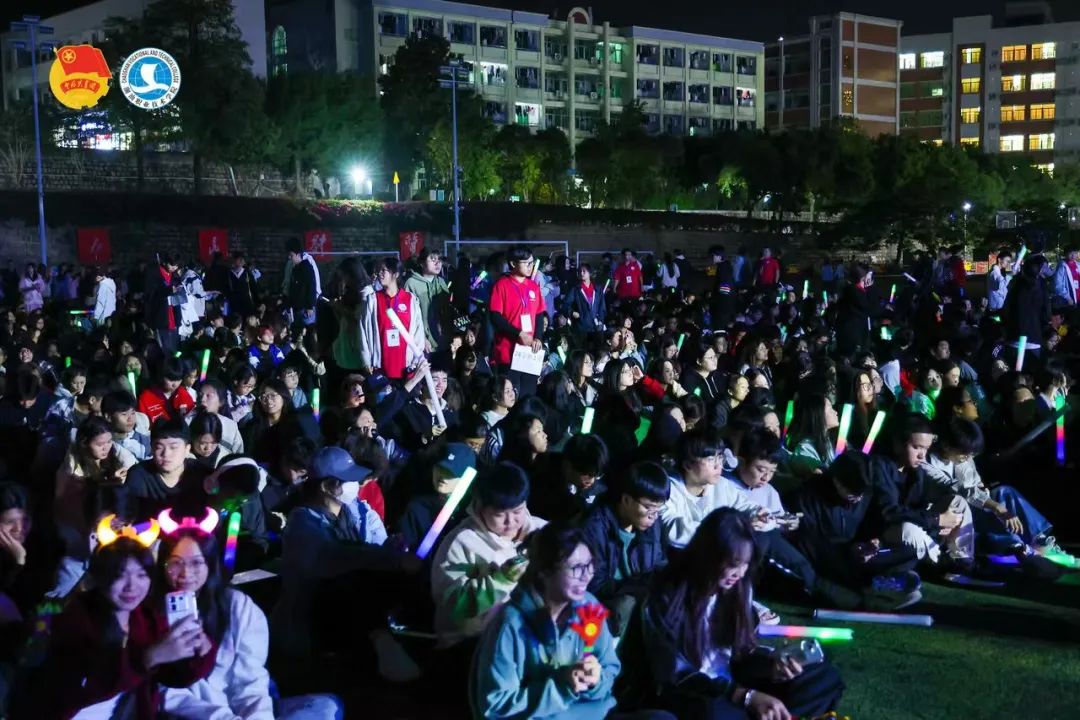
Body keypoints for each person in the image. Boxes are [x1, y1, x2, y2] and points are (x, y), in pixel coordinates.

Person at [627, 508, 845, 719]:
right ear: (708, 556)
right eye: (733, 564)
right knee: (715, 713)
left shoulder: (738, 589)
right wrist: (744, 696)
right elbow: (675, 675)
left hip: (735, 679)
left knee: (823, 679)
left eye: (745, 564)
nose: (739, 573)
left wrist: (772, 663)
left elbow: (742, 653)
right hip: (694, 691)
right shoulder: (666, 597)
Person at [157, 522, 343, 719]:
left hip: (241, 711)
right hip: (191, 716)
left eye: (196, 563)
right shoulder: (150, 613)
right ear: (163, 565)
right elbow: (167, 694)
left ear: (210, 564)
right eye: (176, 563)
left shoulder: (237, 606)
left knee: (328, 706)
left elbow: (250, 683)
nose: (186, 573)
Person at [272, 447, 421, 680]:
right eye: (348, 480)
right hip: (313, 620)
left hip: (358, 611)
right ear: (326, 486)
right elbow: (334, 558)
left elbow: (376, 547)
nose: (355, 485)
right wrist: (389, 558)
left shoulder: (358, 510)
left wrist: (392, 549)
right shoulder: (302, 521)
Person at [26, 537, 217, 719]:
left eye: (141, 575)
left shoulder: (147, 618)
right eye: (120, 575)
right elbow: (87, 687)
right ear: (100, 578)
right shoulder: (75, 618)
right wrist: (148, 658)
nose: (132, 586)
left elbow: (173, 678)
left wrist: (200, 653)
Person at [470, 523, 622, 720]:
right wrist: (562, 687)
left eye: (590, 565)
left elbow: (609, 667)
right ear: (544, 571)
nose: (586, 576)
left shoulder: (589, 607)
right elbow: (495, 705)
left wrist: (596, 681)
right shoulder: (510, 624)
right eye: (576, 568)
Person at [430, 462, 547, 650]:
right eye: (500, 515)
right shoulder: (461, 543)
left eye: (517, 511)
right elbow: (452, 606)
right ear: (480, 507)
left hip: (529, 637)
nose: (511, 522)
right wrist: (500, 580)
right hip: (474, 643)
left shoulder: (542, 531)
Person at [581, 461, 668, 635]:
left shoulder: (651, 523)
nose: (653, 516)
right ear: (626, 499)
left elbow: (658, 563)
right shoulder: (596, 528)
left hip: (639, 595)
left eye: (659, 508)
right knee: (626, 605)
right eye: (648, 507)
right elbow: (593, 585)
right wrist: (636, 587)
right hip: (605, 604)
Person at [117, 418, 210, 523]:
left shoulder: (201, 473)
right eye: (159, 447)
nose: (166, 454)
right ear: (152, 448)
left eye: (173, 447)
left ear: (187, 449)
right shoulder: (138, 475)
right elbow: (130, 519)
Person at [489, 245, 546, 396]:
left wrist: (538, 337)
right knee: (509, 395)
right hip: (508, 351)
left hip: (530, 351)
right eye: (526, 263)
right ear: (513, 263)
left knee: (528, 394)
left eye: (532, 262)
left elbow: (539, 315)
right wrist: (519, 333)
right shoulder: (501, 285)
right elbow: (495, 316)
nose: (530, 266)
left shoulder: (533, 287)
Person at [360, 257, 423, 380]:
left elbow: (418, 333)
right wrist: (366, 360)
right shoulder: (373, 299)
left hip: (406, 365)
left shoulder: (410, 299)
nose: (379, 274)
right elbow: (363, 330)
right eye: (379, 270)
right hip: (380, 366)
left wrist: (416, 360)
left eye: (384, 270)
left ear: (396, 274)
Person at [404, 247, 451, 353]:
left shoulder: (441, 282)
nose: (437, 263)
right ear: (422, 263)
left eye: (439, 259)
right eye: (433, 259)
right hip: (424, 344)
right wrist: (422, 339)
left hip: (444, 341)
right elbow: (409, 318)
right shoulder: (411, 284)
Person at [286, 238, 321, 326]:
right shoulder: (294, 269)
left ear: (298, 254)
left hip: (306, 309)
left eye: (291, 255)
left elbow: (312, 286)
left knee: (308, 329)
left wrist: (310, 306)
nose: (289, 258)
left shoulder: (307, 267)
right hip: (297, 308)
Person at [987, 248, 1014, 313]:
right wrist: (1010, 275)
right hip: (995, 309)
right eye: (1007, 261)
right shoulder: (994, 273)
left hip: (999, 307)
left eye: (1009, 262)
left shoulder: (999, 272)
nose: (1008, 264)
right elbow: (1001, 286)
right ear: (999, 260)